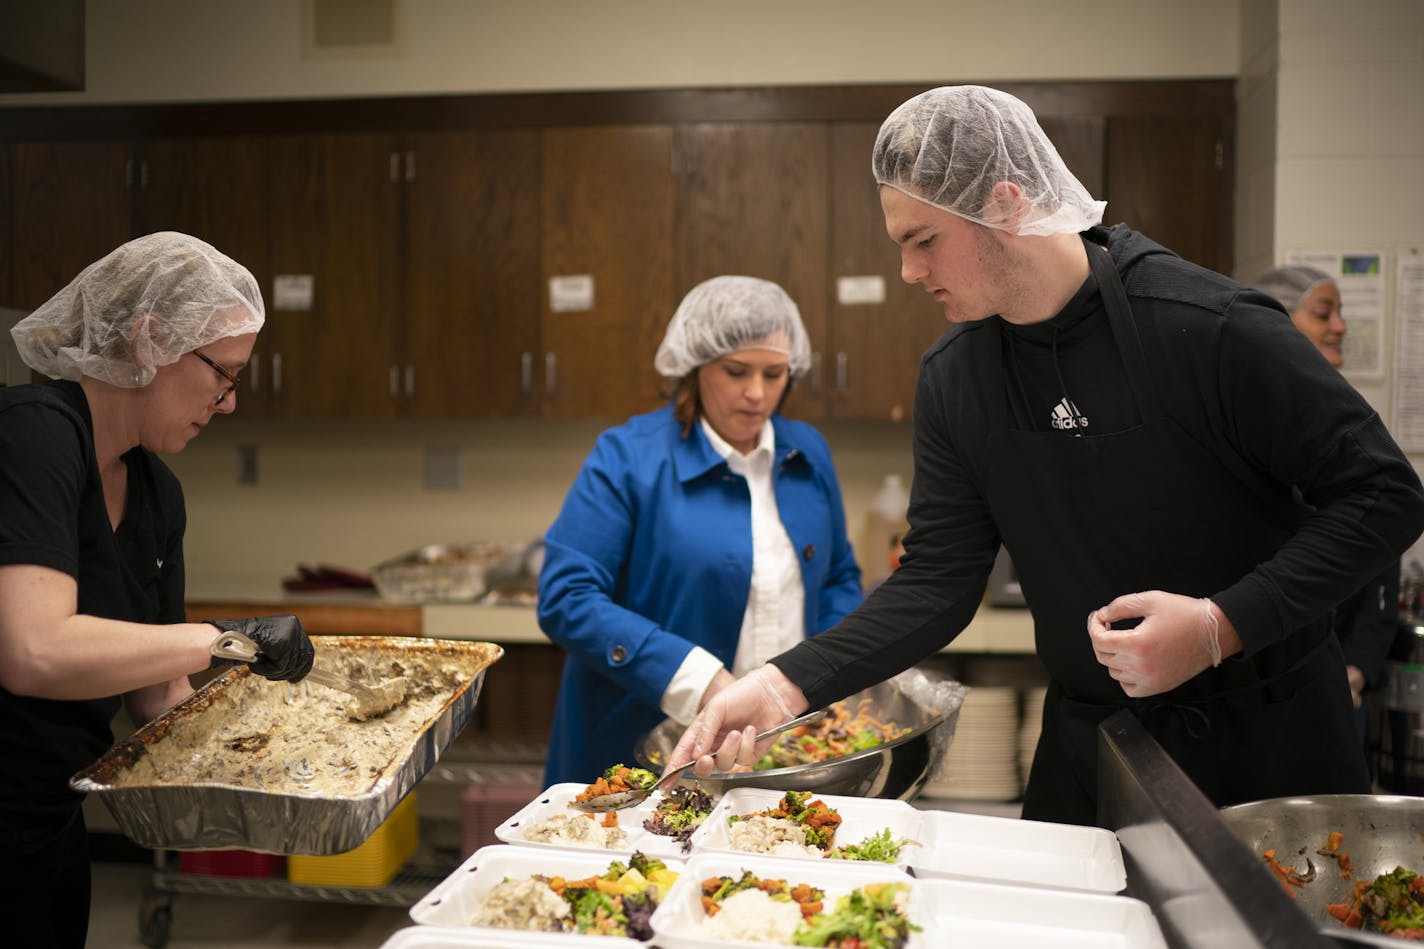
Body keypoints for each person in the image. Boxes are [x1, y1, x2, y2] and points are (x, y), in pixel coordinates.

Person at [669, 86, 1424, 827]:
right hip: (1094, 745)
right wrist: (781, 685)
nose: (907, 272)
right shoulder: (956, 375)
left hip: (1272, 740)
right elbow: (938, 579)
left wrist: (1219, 624)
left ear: (1005, 203)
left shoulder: (1210, 328)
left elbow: (1385, 493)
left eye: (923, 240)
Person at [0, 232, 316, 948]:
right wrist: (227, 639)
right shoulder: (34, 436)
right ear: (150, 339)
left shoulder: (156, 493)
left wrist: (292, 761)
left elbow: (158, 699)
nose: (228, 402)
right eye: (223, 375)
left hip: (48, 829)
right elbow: (32, 648)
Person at [538, 275, 863, 785]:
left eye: (774, 374)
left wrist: (825, 677)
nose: (757, 394)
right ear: (695, 366)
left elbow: (840, 575)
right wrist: (701, 681)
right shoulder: (628, 457)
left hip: (786, 751)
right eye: (736, 372)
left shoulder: (808, 453)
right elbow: (567, 598)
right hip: (640, 752)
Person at [1252, 264, 1401, 729]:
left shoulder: (1348, 415)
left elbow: (1381, 543)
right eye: (1324, 313)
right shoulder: (1247, 414)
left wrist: (1356, 668)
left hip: (1338, 676)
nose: (1340, 326)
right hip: (1258, 675)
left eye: (1340, 313)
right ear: (1277, 317)